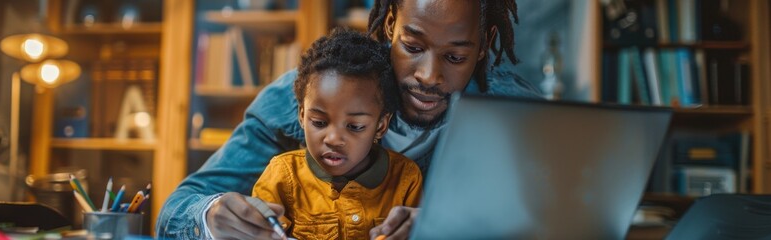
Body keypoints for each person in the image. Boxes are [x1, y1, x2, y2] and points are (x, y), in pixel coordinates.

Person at [156, 0, 539, 239]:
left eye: (455, 57)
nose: (429, 75)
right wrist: (210, 216)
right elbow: (174, 211)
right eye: (413, 46)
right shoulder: (302, 98)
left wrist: (448, 229)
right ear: (390, 23)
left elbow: (552, 221)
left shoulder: (517, 114)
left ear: (485, 43)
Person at [251, 28, 422, 240]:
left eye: (355, 126)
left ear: (380, 126)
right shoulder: (281, 177)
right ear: (302, 116)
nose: (333, 139)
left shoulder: (406, 179)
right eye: (319, 122)